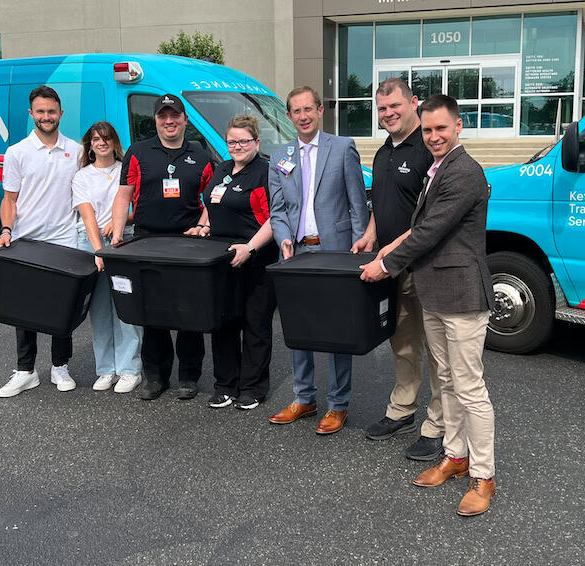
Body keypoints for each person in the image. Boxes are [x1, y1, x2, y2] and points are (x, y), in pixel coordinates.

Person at [360, 94, 497, 517]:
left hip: (463, 295)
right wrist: (384, 250)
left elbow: (429, 232)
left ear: (458, 126)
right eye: (428, 130)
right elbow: (419, 226)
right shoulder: (438, 168)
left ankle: (484, 475)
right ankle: (455, 456)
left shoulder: (465, 171)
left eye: (442, 128)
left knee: (470, 387)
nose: (434, 136)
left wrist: (386, 265)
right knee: (448, 380)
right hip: (435, 292)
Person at [351, 78, 444, 461]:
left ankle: (439, 424)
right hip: (391, 268)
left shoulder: (429, 148)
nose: (388, 113)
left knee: (438, 350)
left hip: (426, 266)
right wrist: (369, 236)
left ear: (413, 103)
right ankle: (403, 410)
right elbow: (382, 205)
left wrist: (390, 254)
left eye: (395, 106)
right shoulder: (382, 153)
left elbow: (430, 218)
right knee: (402, 342)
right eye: (382, 108)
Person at [267, 86, 369, 435]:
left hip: (336, 251)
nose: (303, 116)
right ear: (289, 116)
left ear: (320, 110)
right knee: (301, 325)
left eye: (308, 109)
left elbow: (358, 203)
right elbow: (277, 209)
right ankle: (304, 398)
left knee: (338, 329)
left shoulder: (342, 147)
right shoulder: (279, 157)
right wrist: (283, 237)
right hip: (297, 253)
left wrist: (359, 248)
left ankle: (338, 404)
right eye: (296, 111)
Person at [111, 94, 215, 401]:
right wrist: (117, 235)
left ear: (185, 120)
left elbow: (211, 200)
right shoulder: (138, 152)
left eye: (175, 115)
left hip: (189, 244)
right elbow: (123, 195)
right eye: (163, 116)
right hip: (147, 242)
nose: (169, 121)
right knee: (151, 312)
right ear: (155, 120)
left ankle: (189, 376)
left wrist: (204, 226)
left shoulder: (201, 156)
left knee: (189, 313)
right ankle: (155, 376)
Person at [0, 85, 81, 398]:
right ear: (31, 114)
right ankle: (26, 371)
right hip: (27, 240)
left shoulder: (77, 151)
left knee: (62, 307)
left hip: (65, 239)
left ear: (61, 113)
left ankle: (60, 366)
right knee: (25, 307)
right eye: (41, 111)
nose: (47, 116)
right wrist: (6, 230)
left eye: (52, 111)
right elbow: (9, 199)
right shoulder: (17, 152)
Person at [186, 115, 277, 410]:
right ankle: (225, 385)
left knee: (255, 324)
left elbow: (276, 218)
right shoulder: (222, 169)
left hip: (256, 257)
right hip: (222, 259)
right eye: (232, 141)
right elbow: (213, 204)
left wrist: (250, 247)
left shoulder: (265, 172)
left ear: (257, 142)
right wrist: (204, 226)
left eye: (244, 141)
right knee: (223, 323)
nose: (237, 146)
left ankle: (252, 388)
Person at [71, 121, 144, 394]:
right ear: (89, 145)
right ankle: (106, 369)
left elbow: (139, 208)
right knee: (99, 309)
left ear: (114, 142)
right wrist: (98, 252)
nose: (101, 143)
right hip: (92, 243)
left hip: (124, 241)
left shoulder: (127, 170)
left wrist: (120, 219)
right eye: (96, 139)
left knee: (126, 307)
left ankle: (129, 369)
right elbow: (87, 216)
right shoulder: (82, 177)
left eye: (106, 138)